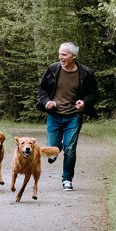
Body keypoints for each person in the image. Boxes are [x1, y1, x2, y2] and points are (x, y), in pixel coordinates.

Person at [37, 42, 99, 191]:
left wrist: (84, 102)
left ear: (73, 56)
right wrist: (47, 102)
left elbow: (94, 94)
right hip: (54, 115)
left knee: (70, 148)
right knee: (53, 148)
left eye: (64, 54)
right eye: (59, 54)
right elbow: (42, 89)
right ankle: (55, 151)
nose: (60, 57)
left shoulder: (85, 73)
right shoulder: (53, 69)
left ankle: (67, 180)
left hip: (74, 116)